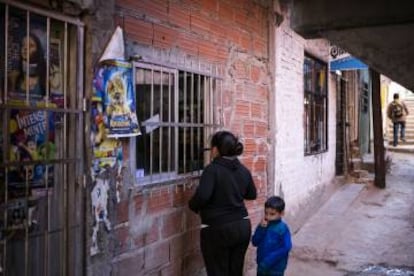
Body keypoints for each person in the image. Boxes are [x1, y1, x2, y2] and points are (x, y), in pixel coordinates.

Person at [188, 130, 257, 276]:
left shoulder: (212, 170)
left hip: (218, 230)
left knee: (218, 272)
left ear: (215, 149)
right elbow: (252, 194)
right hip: (243, 226)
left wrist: (192, 205)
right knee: (235, 271)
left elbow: (203, 196)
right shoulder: (243, 170)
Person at [252, 196, 292, 276]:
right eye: (266, 213)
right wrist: (260, 229)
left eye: (272, 214)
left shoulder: (283, 228)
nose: (268, 217)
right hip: (261, 265)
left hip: (276, 269)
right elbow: (254, 242)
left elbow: (287, 247)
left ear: (282, 213)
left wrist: (269, 260)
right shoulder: (263, 225)